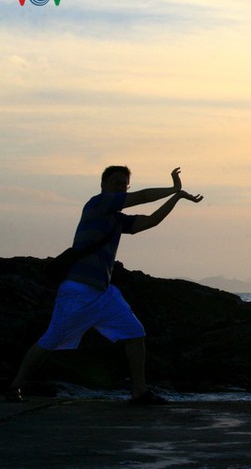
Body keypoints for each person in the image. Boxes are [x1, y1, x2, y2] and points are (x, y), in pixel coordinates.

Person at [5, 166, 203, 405]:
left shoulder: (116, 220)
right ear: (104, 185)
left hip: (104, 293)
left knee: (134, 332)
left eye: (124, 184)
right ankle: (14, 386)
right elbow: (140, 197)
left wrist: (176, 198)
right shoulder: (97, 204)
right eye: (116, 183)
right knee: (50, 340)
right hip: (78, 291)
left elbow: (150, 221)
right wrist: (173, 187)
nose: (120, 187)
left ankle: (139, 391)